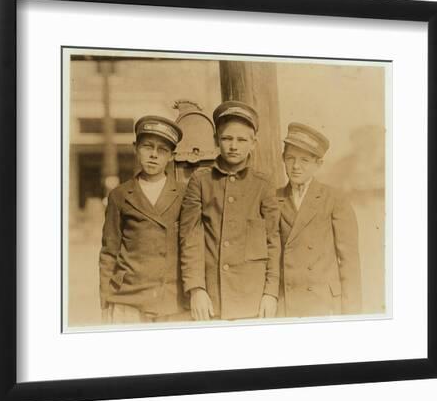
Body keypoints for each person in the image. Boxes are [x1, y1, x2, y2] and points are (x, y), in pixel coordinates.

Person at [179, 101, 281, 321]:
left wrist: (270, 293)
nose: (234, 146)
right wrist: (196, 289)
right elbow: (190, 238)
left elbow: (273, 241)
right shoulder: (200, 180)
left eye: (242, 140)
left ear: (253, 143)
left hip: (252, 298)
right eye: (227, 138)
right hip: (210, 298)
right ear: (216, 140)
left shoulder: (263, 184)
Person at [98, 115, 190, 324]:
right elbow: (109, 253)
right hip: (128, 298)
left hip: (171, 298)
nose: (154, 155)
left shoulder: (184, 194)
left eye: (162, 150)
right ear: (135, 148)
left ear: (172, 156)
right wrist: (105, 298)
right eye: (148, 147)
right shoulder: (119, 195)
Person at [277, 122, 362, 317]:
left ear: (318, 164)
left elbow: (349, 262)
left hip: (324, 304)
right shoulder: (275, 199)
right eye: (290, 158)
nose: (296, 166)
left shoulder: (334, 199)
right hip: (286, 304)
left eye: (305, 160)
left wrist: (352, 313)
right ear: (282, 159)